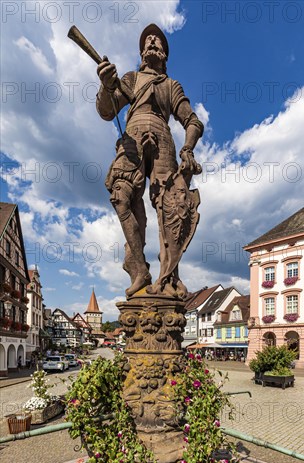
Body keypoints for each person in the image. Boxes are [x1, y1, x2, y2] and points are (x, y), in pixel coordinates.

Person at [96, 24, 204, 297]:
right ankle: (139, 270)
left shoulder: (170, 85)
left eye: (157, 41)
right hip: (131, 139)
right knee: (121, 197)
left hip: (163, 140)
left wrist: (188, 148)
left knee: (171, 207)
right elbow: (107, 112)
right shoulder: (130, 79)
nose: (152, 42)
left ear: (165, 55)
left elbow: (192, 121)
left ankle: (168, 277)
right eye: (148, 41)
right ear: (142, 51)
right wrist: (106, 86)